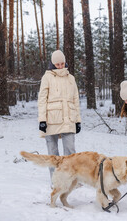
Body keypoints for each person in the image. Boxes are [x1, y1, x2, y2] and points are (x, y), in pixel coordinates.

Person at [37, 50, 81, 181]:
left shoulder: (71, 78)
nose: (60, 66)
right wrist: (42, 120)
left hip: (69, 119)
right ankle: (55, 181)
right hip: (51, 120)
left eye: (62, 63)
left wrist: (78, 120)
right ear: (53, 64)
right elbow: (42, 99)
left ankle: (71, 180)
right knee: (53, 154)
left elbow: (75, 100)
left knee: (71, 153)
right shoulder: (47, 77)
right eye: (57, 64)